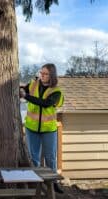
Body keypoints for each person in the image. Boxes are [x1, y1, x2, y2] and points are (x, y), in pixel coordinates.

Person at [20, 63, 64, 193]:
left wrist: (25, 96)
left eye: (45, 74)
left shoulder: (56, 91)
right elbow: (23, 90)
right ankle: (37, 182)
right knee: (34, 157)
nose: (42, 76)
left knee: (50, 157)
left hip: (48, 129)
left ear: (52, 76)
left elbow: (45, 104)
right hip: (31, 127)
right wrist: (22, 90)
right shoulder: (33, 84)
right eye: (41, 73)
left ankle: (53, 183)